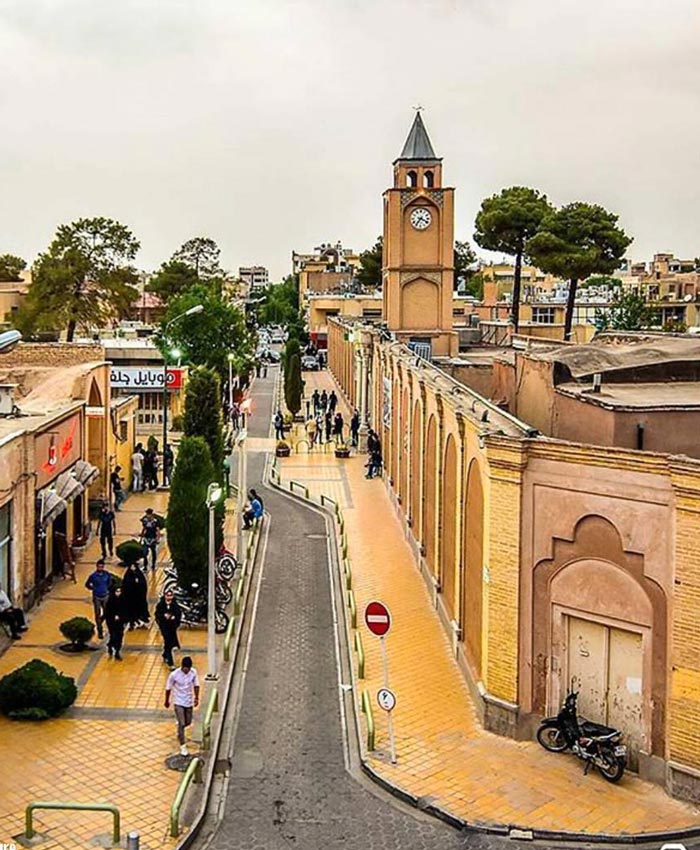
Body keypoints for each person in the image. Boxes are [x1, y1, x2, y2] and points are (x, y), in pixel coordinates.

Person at [165, 656, 200, 756]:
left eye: (188, 669)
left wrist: (196, 698)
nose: (187, 671)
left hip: (188, 701)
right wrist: (167, 700)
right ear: (182, 667)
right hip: (178, 701)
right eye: (185, 669)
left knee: (187, 722)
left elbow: (196, 685)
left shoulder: (193, 673)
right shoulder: (174, 675)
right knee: (182, 722)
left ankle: (180, 732)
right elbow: (168, 688)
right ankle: (182, 746)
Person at [85, 559, 113, 639]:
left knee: (107, 612)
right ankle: (100, 631)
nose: (100, 568)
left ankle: (103, 621)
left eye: (102, 566)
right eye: (99, 566)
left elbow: (110, 582)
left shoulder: (107, 574)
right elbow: (87, 584)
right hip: (97, 596)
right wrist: (93, 588)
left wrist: (107, 589)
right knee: (97, 614)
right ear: (97, 567)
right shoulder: (93, 576)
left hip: (105, 596)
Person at [155, 589, 182, 668]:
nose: (169, 597)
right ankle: (170, 662)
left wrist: (174, 617)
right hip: (164, 627)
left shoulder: (175, 605)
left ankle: (165, 654)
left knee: (168, 643)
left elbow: (178, 615)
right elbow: (157, 614)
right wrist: (163, 616)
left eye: (170, 595)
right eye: (167, 595)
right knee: (168, 642)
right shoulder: (161, 605)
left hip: (172, 627)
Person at [121, 562, 149, 629]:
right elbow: (125, 585)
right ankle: (131, 623)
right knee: (131, 611)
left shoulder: (139, 574)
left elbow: (143, 584)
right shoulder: (127, 575)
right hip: (130, 598)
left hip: (139, 597)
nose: (133, 568)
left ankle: (141, 622)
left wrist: (138, 583)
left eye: (134, 566)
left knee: (140, 610)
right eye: (131, 566)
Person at [105, 586, 126, 660]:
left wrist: (122, 617)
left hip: (120, 622)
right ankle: (110, 645)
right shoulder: (110, 600)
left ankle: (117, 651)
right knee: (113, 635)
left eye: (120, 591)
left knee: (120, 636)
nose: (118, 593)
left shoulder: (123, 599)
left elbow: (125, 610)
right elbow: (107, 611)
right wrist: (113, 616)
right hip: (111, 622)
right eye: (117, 591)